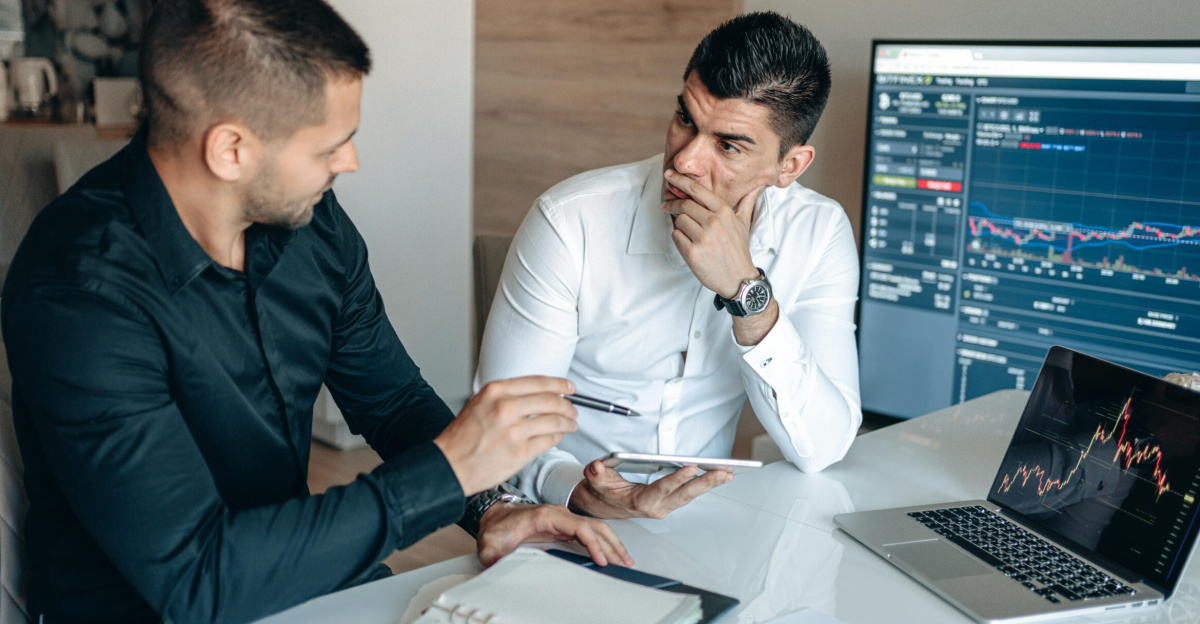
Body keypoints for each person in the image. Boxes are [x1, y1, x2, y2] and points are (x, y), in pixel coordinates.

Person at [0, 1, 629, 623]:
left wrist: (491, 505)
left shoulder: (311, 225)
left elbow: (390, 400)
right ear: (231, 150)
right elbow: (196, 579)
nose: (349, 162)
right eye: (331, 145)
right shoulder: (77, 292)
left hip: (303, 581)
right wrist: (449, 468)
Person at [476, 12, 861, 519]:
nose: (684, 162)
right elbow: (500, 427)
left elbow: (822, 448)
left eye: (727, 145)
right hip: (559, 516)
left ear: (789, 166)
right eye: (685, 120)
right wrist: (579, 490)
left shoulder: (819, 233)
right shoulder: (571, 221)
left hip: (706, 525)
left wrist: (748, 295)